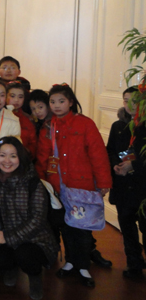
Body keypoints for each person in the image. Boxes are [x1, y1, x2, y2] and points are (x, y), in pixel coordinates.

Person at [36, 84, 112, 288]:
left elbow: (98, 154)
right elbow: (43, 157)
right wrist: (41, 183)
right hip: (57, 187)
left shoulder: (85, 124)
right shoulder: (48, 126)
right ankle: (70, 261)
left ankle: (83, 265)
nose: (57, 105)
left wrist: (104, 182)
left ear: (70, 102)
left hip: (81, 186)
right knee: (66, 226)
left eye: (61, 101)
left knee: (83, 228)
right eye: (53, 102)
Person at [0, 137, 58, 300]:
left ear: (20, 157)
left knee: (26, 255)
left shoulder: (32, 181)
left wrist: (8, 237)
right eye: (2, 155)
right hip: (4, 236)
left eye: (13, 156)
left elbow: (38, 220)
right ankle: (11, 267)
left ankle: (34, 276)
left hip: (35, 239)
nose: (7, 161)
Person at [106, 86, 146, 279]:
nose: (130, 104)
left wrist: (133, 165)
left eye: (135, 100)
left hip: (142, 187)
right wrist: (115, 165)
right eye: (126, 100)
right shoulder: (118, 126)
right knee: (127, 228)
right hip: (123, 186)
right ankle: (134, 264)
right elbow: (111, 150)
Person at [6, 82, 37, 158]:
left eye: (20, 97)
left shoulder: (28, 119)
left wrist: (27, 151)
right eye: (12, 96)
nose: (16, 100)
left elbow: (33, 143)